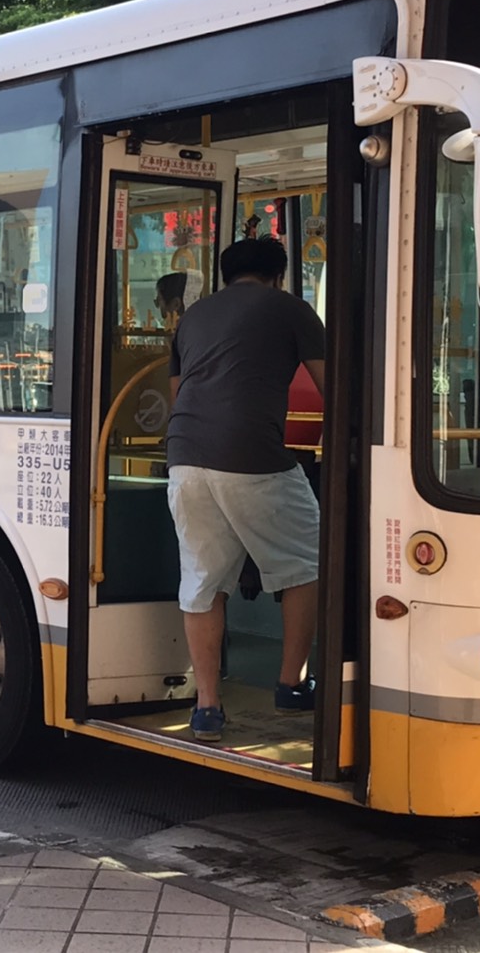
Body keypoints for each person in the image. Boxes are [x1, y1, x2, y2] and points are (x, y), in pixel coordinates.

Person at [165, 236, 326, 742]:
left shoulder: (192, 318)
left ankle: (207, 707)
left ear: (225, 275)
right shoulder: (290, 309)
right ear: (278, 275)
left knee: (202, 580)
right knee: (307, 560)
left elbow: (177, 394)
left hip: (185, 457)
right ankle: (290, 685)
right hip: (253, 454)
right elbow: (336, 386)